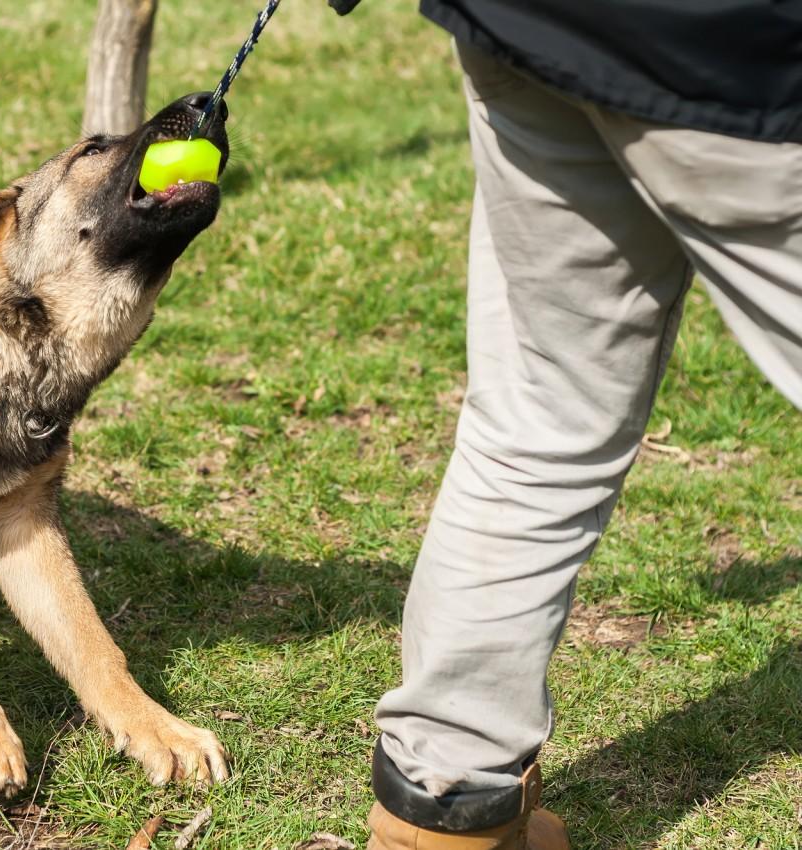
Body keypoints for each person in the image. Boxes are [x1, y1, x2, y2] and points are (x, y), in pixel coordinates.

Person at [321, 1, 802, 848]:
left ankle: (444, 811)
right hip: (739, 58)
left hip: (529, 22)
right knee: (540, 413)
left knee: (540, 415)